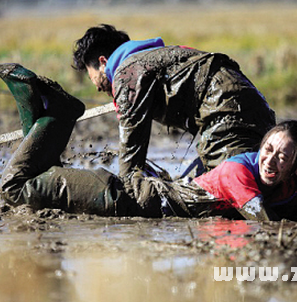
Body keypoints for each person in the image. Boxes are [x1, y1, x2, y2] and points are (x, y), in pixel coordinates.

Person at [0, 62, 297, 222]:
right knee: (14, 186)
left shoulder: (285, 186)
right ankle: (58, 110)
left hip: (126, 199)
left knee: (36, 178)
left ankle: (45, 112)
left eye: (282, 156)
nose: (270, 159)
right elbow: (265, 220)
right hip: (121, 198)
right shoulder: (237, 173)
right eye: (268, 148)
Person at [71, 24, 276, 199]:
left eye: (92, 77)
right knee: (262, 176)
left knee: (220, 192)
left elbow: (131, 153)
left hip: (225, 110)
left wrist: (124, 194)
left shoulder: (127, 72)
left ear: (103, 62)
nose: (97, 87)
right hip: (250, 102)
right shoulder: (152, 59)